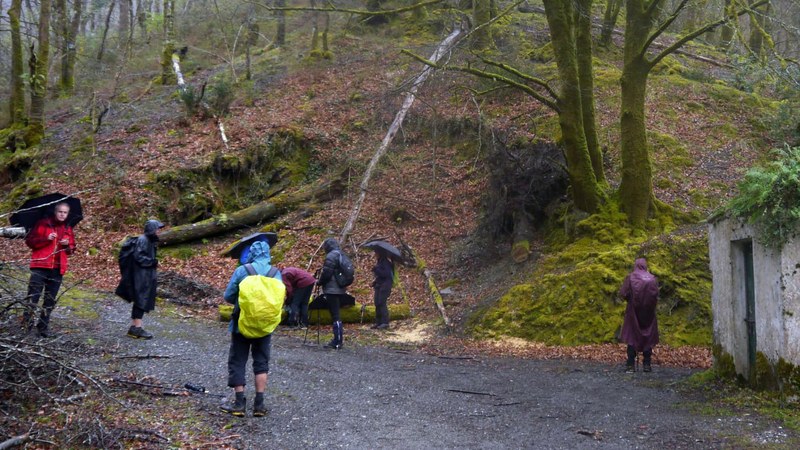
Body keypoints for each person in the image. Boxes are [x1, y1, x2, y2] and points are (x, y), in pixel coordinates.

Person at [221, 241, 281, 417]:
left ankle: (239, 403)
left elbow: (228, 296)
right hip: (264, 325)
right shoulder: (275, 273)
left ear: (252, 253)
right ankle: (259, 405)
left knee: (238, 360)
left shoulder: (242, 270)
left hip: (241, 323)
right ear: (268, 254)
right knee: (261, 362)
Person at [23, 202, 76, 337]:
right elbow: (30, 241)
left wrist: (67, 245)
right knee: (33, 297)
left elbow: (72, 249)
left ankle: (43, 327)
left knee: (50, 300)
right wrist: (45, 238)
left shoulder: (67, 228)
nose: (62, 214)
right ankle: (26, 325)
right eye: (60, 212)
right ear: (55, 212)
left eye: (65, 212)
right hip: (40, 265)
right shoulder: (42, 223)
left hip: (58, 268)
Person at [619, 257, 660, 373]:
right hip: (649, 313)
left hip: (633, 312)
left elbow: (623, 293)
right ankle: (647, 364)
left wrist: (629, 299)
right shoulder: (652, 278)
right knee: (648, 336)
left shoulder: (630, 277)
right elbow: (656, 295)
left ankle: (630, 365)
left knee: (632, 337)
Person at [126, 219, 164, 340]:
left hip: (144, 275)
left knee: (141, 300)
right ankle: (137, 328)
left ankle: (134, 327)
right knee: (141, 301)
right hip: (141, 276)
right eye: (157, 229)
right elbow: (139, 257)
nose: (159, 231)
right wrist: (152, 262)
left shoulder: (149, 240)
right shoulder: (143, 240)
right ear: (152, 229)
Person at [318, 238, 348, 349]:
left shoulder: (331, 256)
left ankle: (337, 341)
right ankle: (338, 340)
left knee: (335, 315)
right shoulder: (341, 254)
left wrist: (319, 282)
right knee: (336, 314)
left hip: (332, 289)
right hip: (340, 288)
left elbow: (326, 273)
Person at [370, 251, 394, 330]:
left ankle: (385, 322)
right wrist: (374, 282)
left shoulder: (386, 262)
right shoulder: (379, 262)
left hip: (385, 286)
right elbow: (380, 276)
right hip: (379, 285)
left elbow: (385, 274)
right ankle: (378, 322)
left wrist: (376, 269)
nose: (375, 254)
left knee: (381, 302)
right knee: (377, 303)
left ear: (380, 254)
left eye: (376, 253)